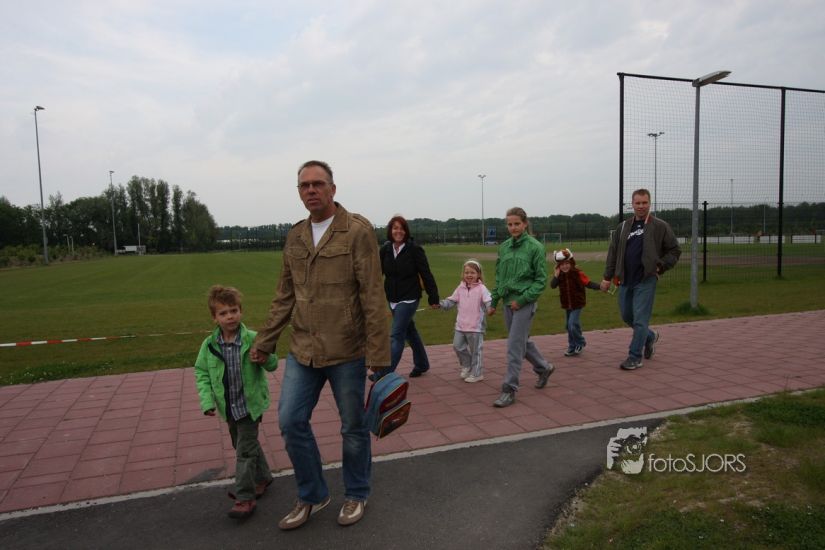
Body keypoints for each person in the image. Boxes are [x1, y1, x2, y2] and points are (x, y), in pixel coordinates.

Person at [251, 160, 390, 529]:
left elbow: (373, 296)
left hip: (347, 349)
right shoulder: (295, 236)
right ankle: (312, 494)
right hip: (304, 349)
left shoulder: (356, 231)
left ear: (333, 188)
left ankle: (356, 493)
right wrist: (265, 340)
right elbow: (285, 294)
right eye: (304, 185)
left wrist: (378, 354)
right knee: (290, 420)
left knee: (353, 428)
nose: (311, 190)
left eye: (318, 183)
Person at [193, 285, 278, 520]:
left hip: (250, 406)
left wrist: (264, 357)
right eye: (223, 313)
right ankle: (262, 477)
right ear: (215, 317)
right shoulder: (209, 345)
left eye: (234, 311)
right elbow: (201, 372)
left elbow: (273, 364)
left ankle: (244, 497)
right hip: (228, 408)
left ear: (241, 311)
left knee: (244, 452)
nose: (230, 316)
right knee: (242, 445)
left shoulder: (253, 338)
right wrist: (207, 401)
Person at [600, 188, 681, 370]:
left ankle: (634, 357)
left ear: (649, 203)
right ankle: (650, 337)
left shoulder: (660, 226)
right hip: (625, 279)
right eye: (638, 203)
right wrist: (607, 277)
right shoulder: (623, 227)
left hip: (646, 279)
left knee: (640, 319)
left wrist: (661, 266)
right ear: (632, 204)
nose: (641, 206)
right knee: (627, 316)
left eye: (644, 203)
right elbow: (613, 253)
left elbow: (674, 250)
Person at [488, 207, 555, 408]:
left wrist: (523, 299)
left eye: (517, 223)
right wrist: (494, 301)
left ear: (525, 224)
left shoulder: (535, 247)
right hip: (507, 302)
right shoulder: (504, 247)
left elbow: (540, 281)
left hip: (524, 303)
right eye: (509, 224)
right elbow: (499, 277)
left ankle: (509, 389)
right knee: (520, 342)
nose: (513, 227)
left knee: (514, 346)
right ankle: (543, 367)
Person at [379, 215, 440, 378]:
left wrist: (433, 297)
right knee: (409, 331)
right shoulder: (385, 249)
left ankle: (383, 374)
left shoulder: (414, 249)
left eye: (402, 228)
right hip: (392, 298)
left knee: (396, 334)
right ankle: (422, 364)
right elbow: (377, 273)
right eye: (395, 228)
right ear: (390, 231)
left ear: (406, 231)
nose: (398, 231)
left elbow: (426, 273)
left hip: (409, 297)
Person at [438, 259, 493, 383]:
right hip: (460, 326)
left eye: (472, 273)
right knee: (457, 346)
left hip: (475, 327)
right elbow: (451, 301)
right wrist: (441, 304)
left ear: (478, 274)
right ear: (463, 274)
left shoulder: (482, 288)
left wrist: (490, 308)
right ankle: (467, 366)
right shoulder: (460, 288)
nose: (469, 275)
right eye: (467, 272)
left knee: (476, 352)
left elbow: (488, 301)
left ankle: (477, 373)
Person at [549, 248, 602, 357]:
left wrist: (600, 286)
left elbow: (588, 283)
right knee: (569, 326)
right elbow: (552, 285)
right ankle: (572, 346)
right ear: (558, 266)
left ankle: (580, 342)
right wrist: (556, 275)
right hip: (567, 304)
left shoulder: (577, 273)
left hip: (577, 303)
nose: (565, 266)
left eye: (567, 263)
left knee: (572, 324)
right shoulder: (560, 275)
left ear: (571, 263)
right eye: (562, 264)